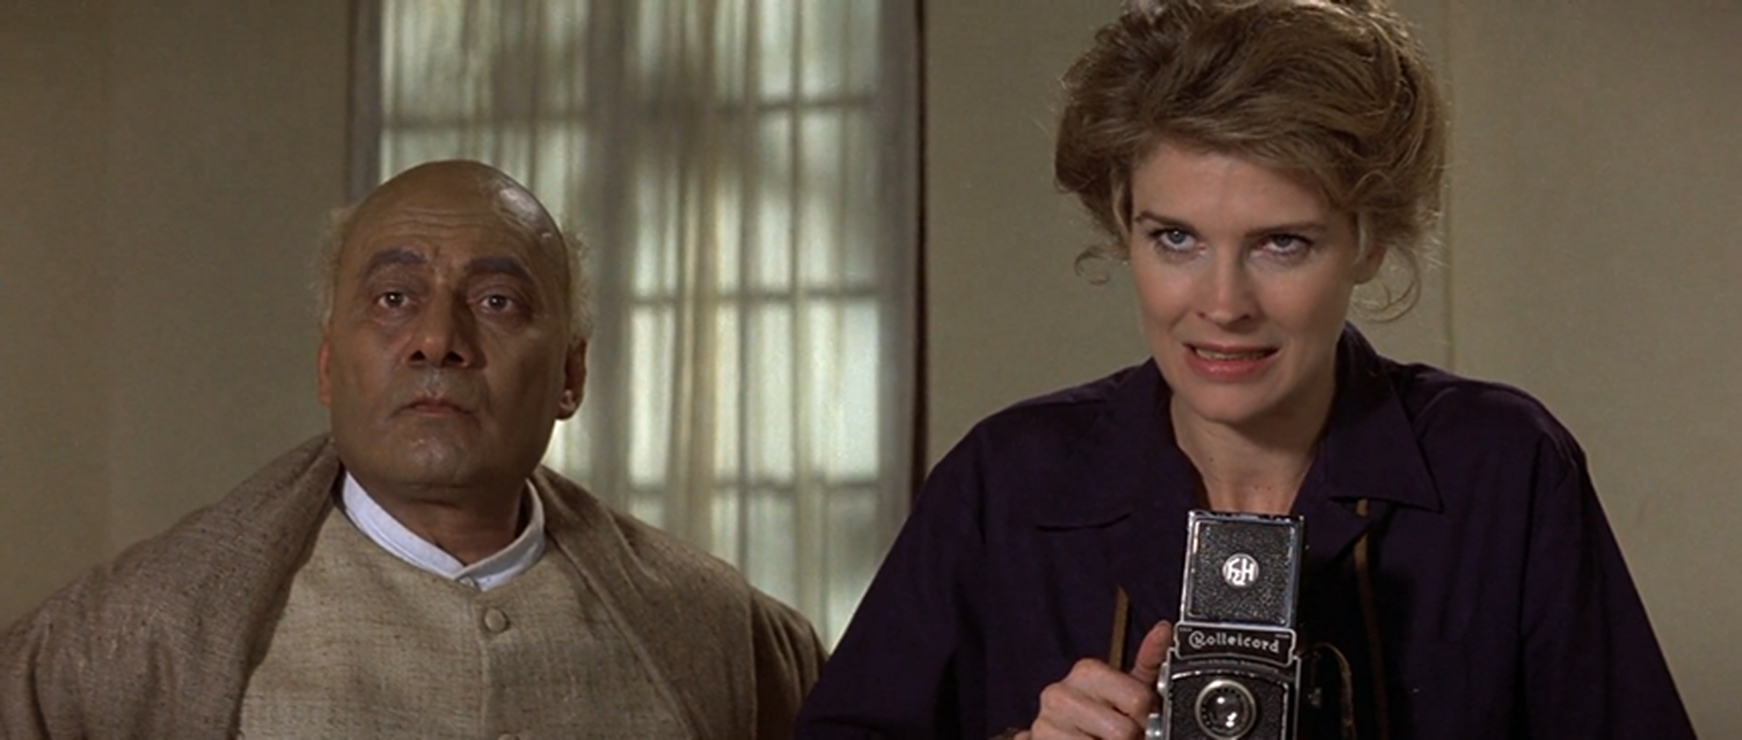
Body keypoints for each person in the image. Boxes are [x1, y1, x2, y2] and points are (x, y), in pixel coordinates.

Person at [796, 0, 1693, 738]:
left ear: (1369, 240)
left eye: (1282, 243)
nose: (1222, 304)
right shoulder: (1008, 480)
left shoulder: (1501, 467)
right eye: (1175, 238)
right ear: (1122, 223)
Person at [1, 160, 824, 738]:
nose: (438, 339)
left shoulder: (722, 632)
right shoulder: (129, 640)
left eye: (497, 302)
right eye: (394, 298)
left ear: (571, 376)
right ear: (329, 365)